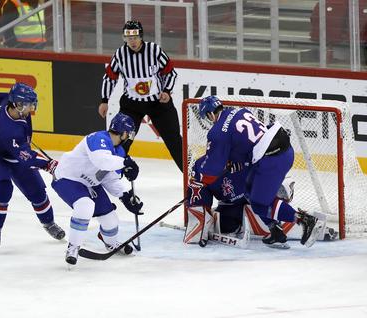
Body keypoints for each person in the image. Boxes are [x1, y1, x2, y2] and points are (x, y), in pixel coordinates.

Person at [186, 95, 326, 248]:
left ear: (210, 114)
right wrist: (239, 162)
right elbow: (248, 142)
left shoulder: (217, 132)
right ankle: (276, 231)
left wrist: (198, 179)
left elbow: (212, 169)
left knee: (259, 203)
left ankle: (304, 220)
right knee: (248, 190)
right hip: (282, 150)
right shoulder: (238, 112)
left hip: (271, 160)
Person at [0, 82, 65, 251]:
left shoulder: (8, 102)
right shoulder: (7, 130)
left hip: (15, 150)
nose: (31, 110)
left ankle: (49, 223)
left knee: (38, 192)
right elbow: (27, 157)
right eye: (29, 105)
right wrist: (49, 164)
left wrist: (22, 139)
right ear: (18, 105)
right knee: (3, 189)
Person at [51, 113, 143, 266]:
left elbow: (109, 178)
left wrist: (125, 196)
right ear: (124, 133)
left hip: (90, 184)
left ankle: (111, 243)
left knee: (111, 220)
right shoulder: (98, 138)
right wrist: (126, 163)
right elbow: (102, 161)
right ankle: (73, 246)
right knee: (85, 206)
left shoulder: (119, 152)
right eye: (129, 134)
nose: (129, 137)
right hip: (68, 178)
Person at [184, 156, 336, 248]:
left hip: (253, 189)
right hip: (231, 203)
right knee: (227, 227)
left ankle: (302, 219)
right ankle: (276, 227)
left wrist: (243, 164)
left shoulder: (236, 153)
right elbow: (198, 194)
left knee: (264, 199)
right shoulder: (201, 167)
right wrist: (201, 217)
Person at [98, 20, 183, 172]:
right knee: (118, 140)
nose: (132, 41)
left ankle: (192, 180)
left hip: (158, 104)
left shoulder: (154, 50)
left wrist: (167, 91)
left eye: (135, 37)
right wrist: (104, 100)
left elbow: (170, 72)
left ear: (141, 36)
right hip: (132, 106)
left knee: (175, 142)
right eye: (128, 38)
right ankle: (111, 175)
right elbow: (110, 77)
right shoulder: (120, 54)